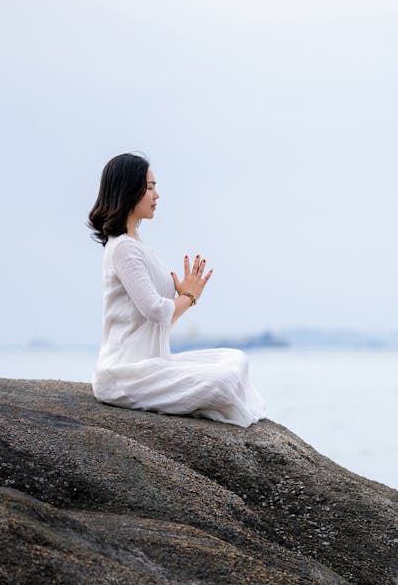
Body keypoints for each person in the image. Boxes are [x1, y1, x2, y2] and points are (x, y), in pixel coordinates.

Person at [88, 153, 267, 427]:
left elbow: (161, 319)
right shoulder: (123, 248)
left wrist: (186, 299)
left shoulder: (137, 245)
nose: (156, 195)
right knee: (223, 381)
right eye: (149, 187)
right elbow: (157, 311)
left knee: (235, 359)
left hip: (156, 365)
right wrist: (188, 297)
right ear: (128, 189)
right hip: (125, 374)